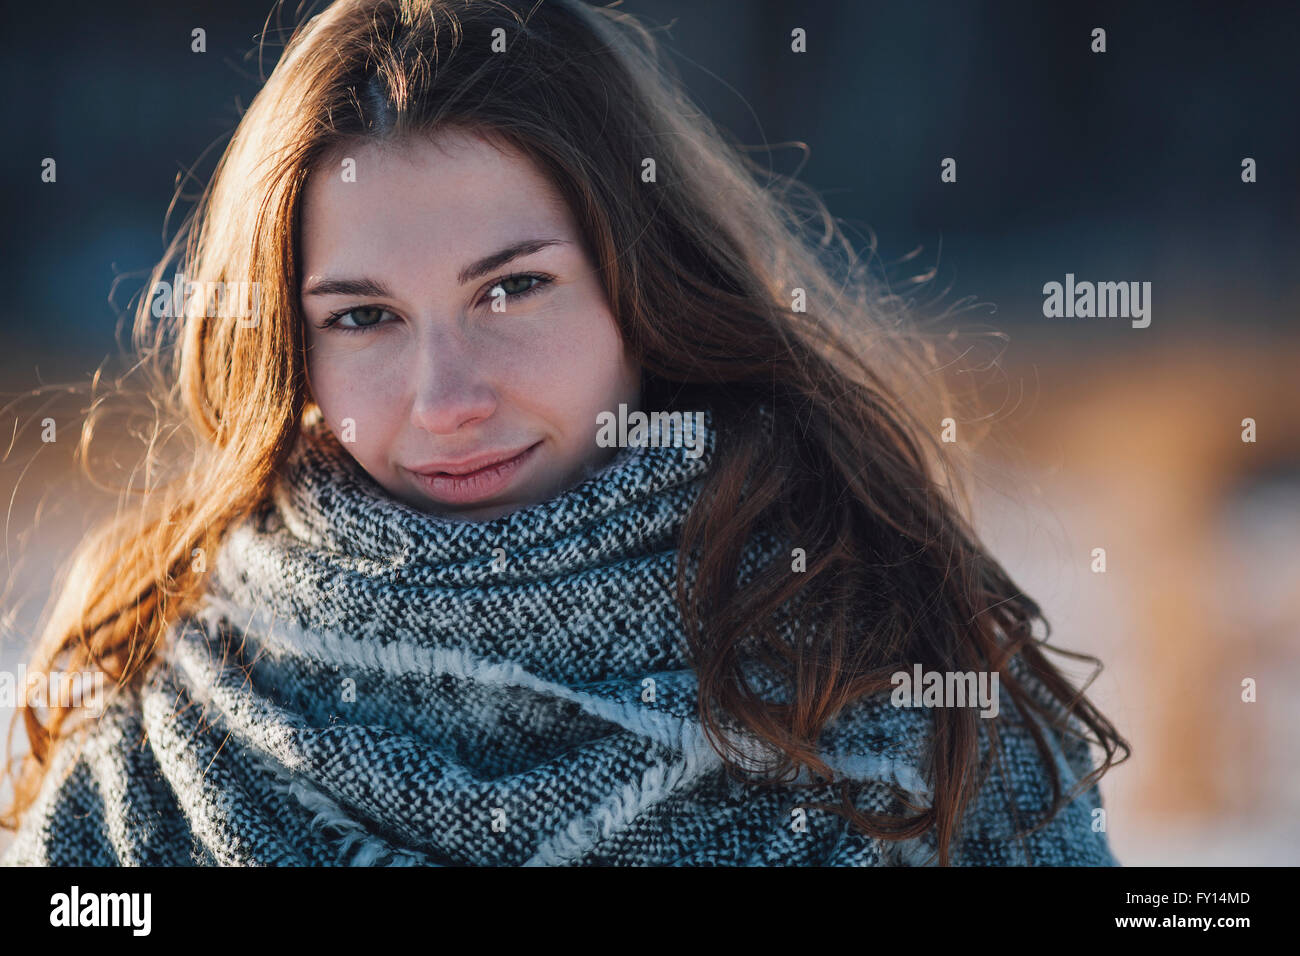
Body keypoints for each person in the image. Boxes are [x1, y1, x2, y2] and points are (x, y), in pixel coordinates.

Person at [1, 0, 1128, 866]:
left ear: (650, 282)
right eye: (362, 315)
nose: (445, 399)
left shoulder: (904, 684)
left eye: (511, 289)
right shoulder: (151, 756)